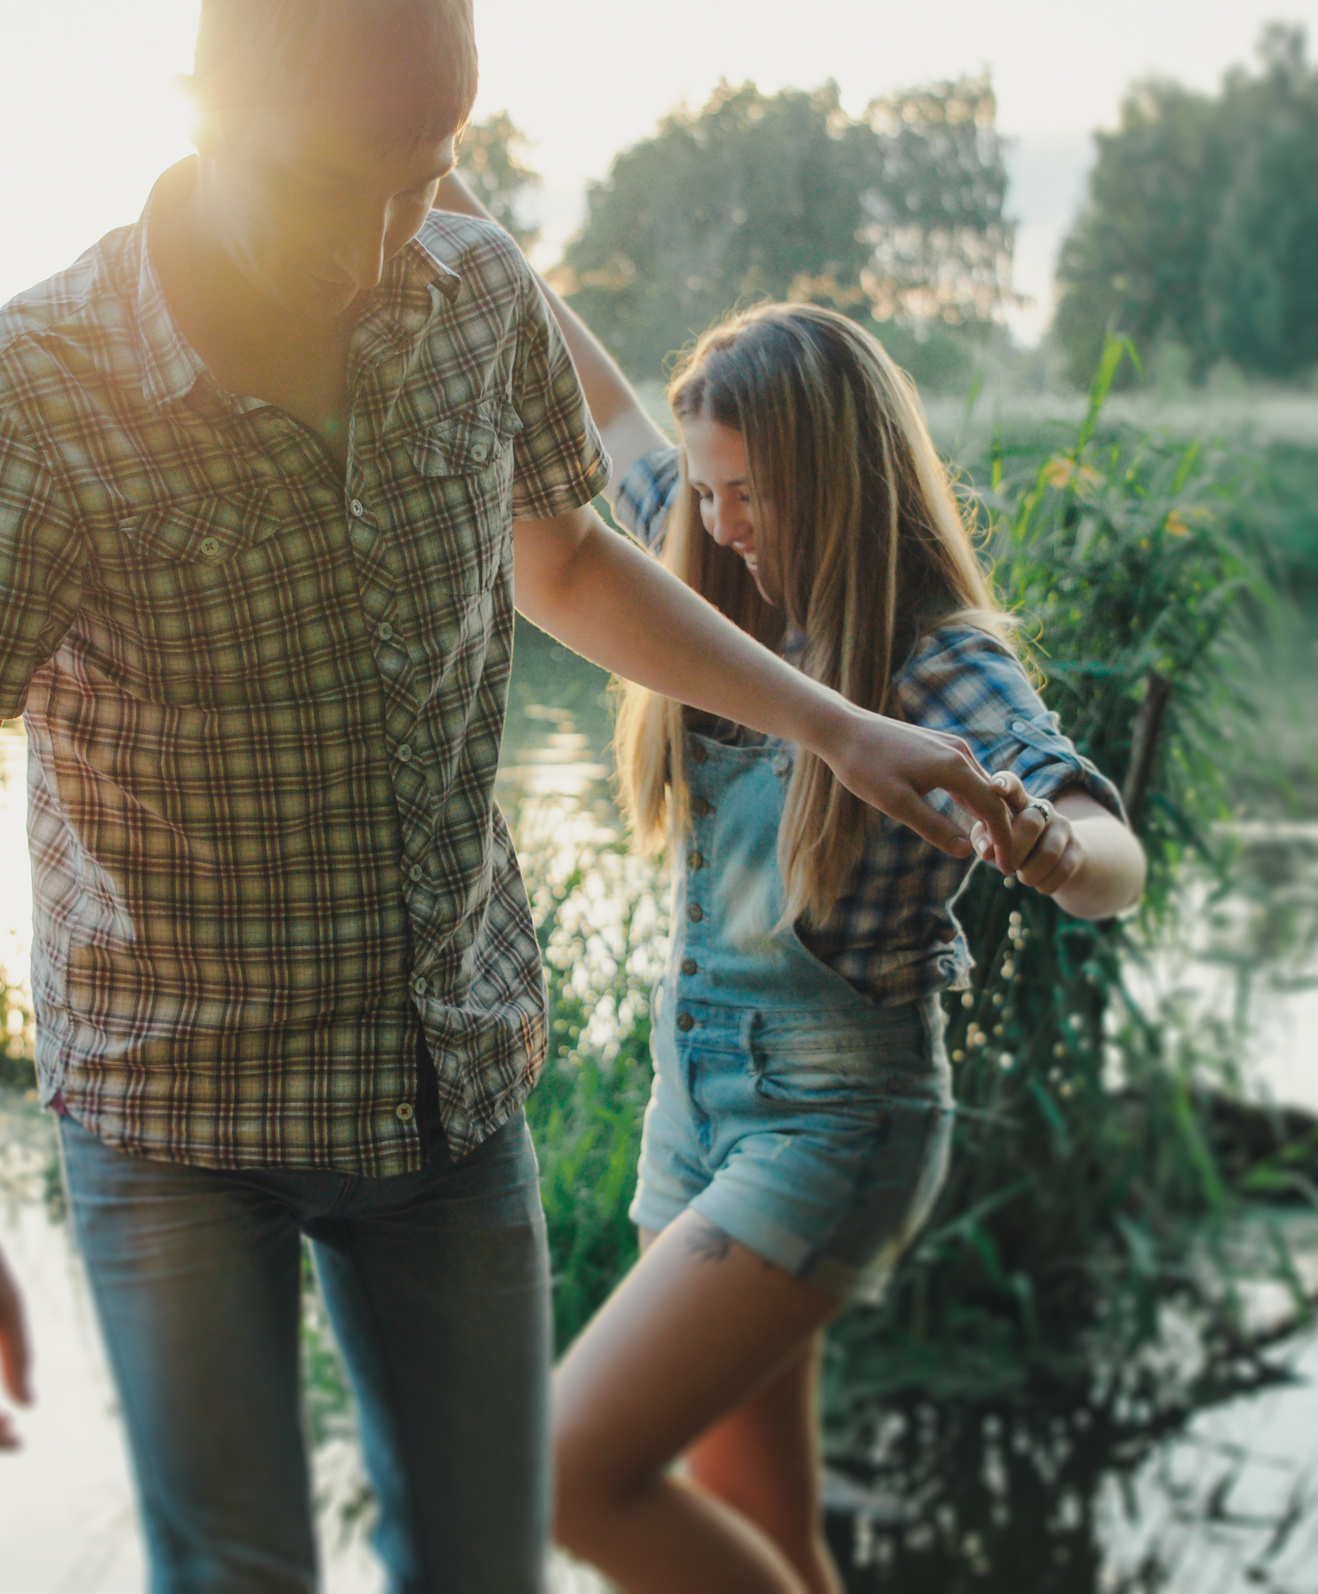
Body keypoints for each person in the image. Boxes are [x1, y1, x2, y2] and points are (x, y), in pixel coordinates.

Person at [0, 4, 1030, 1591]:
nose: (394, 234)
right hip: (171, 1106)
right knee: (239, 1567)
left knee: (482, 1563)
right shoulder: (28, 393)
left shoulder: (470, 297)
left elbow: (567, 558)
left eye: (431, 171)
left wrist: (838, 730)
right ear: (210, 100)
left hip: (442, 1081)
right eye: (344, 180)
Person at [433, 185, 1149, 1592]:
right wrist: (459, 211)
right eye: (708, 487)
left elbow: (1109, 855)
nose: (723, 519)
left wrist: (1051, 850)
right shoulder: (713, 576)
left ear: (841, 477)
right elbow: (610, 412)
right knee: (760, 1525)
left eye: (753, 490)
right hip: (692, 1100)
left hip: (839, 1113)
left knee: (566, 1474)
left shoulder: (929, 649)